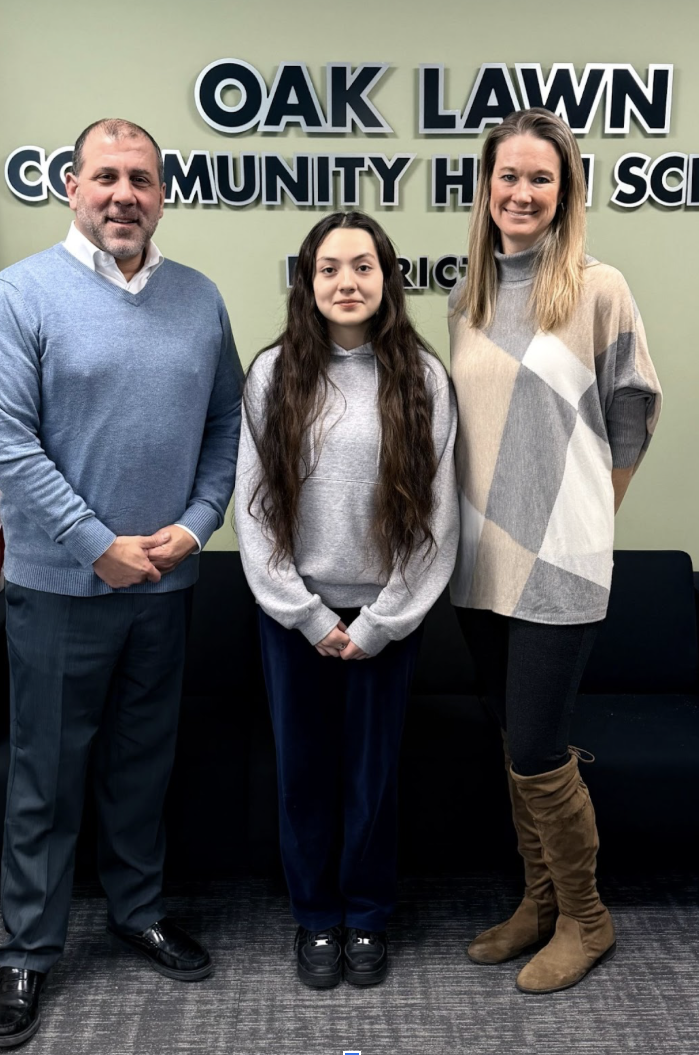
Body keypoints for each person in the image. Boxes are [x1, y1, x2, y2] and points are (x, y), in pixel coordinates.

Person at [0, 118, 243, 1048]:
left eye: (142, 179)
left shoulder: (199, 299)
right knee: (45, 779)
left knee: (140, 766)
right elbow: (6, 443)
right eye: (107, 177)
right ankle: (28, 950)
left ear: (163, 195)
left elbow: (226, 424)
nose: (125, 194)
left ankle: (137, 912)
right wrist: (95, 545)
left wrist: (196, 524)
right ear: (72, 187)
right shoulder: (20, 296)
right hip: (59, 590)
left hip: (165, 587)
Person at [448, 108, 661, 994]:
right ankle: (539, 903)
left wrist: (589, 518)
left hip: (560, 560)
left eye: (541, 177)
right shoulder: (466, 297)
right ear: (485, 187)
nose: (522, 191)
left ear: (565, 190)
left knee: (539, 748)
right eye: (509, 175)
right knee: (514, 743)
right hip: (477, 560)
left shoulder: (597, 288)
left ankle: (586, 915)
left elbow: (633, 410)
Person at [235, 211, 458, 988]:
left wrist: (383, 622)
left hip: (385, 621)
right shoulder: (272, 374)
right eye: (328, 268)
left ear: (386, 278)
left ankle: (365, 913)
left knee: (372, 777)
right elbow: (254, 508)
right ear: (307, 280)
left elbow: (438, 516)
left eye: (362, 266)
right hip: (292, 619)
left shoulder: (422, 377)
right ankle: (316, 916)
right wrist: (305, 613)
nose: (346, 282)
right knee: (303, 775)